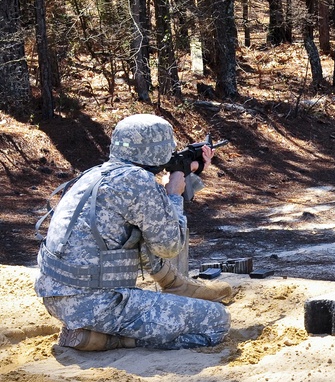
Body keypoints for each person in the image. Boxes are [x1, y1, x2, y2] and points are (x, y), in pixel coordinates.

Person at [35, 114, 232, 351]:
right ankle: (110, 340)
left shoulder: (95, 174)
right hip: (100, 304)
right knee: (217, 321)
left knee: (144, 231)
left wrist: (188, 170)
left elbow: (145, 228)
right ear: (159, 150)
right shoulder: (138, 182)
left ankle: (174, 284)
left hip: (56, 296)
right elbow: (169, 246)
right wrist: (173, 195)